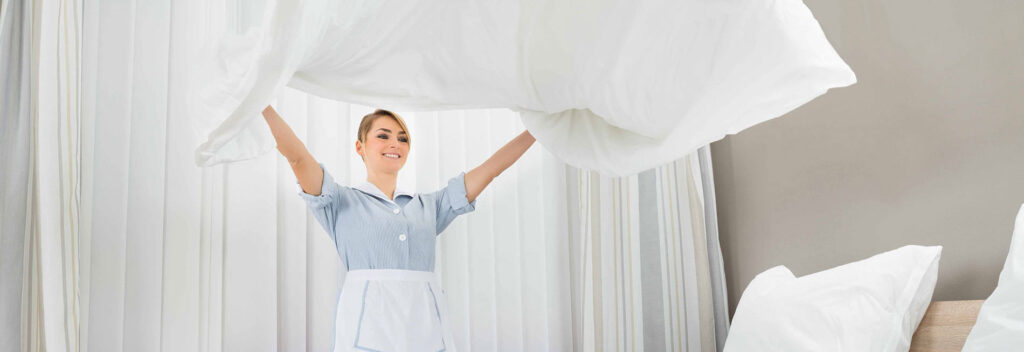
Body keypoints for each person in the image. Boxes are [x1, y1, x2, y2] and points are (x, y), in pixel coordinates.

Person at [262, 105, 535, 351]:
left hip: (425, 328)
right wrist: (261, 104)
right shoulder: (339, 201)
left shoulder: (430, 206)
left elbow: (491, 170)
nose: (395, 143)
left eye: (402, 138)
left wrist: (537, 130)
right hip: (366, 330)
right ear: (360, 146)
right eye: (383, 135)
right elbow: (297, 158)